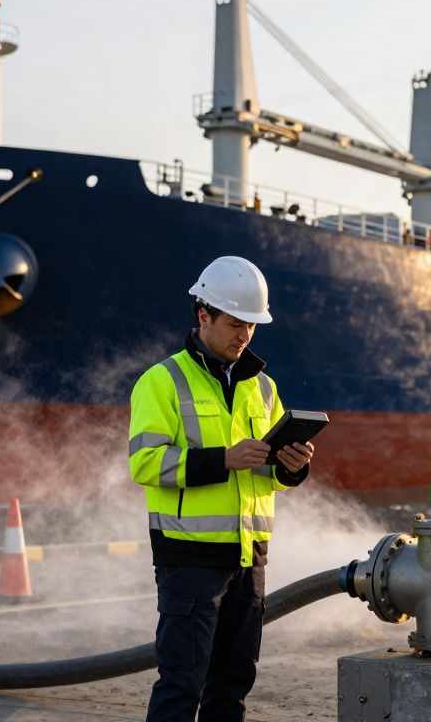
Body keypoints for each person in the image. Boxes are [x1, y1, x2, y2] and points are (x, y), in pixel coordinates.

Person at [129, 256, 314, 722]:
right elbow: (145, 463)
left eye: (252, 326)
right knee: (180, 687)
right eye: (236, 324)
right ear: (203, 315)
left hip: (250, 561)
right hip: (189, 561)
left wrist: (292, 467)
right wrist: (224, 459)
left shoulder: (265, 389)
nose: (244, 336)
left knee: (231, 689)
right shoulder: (161, 381)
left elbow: (269, 476)